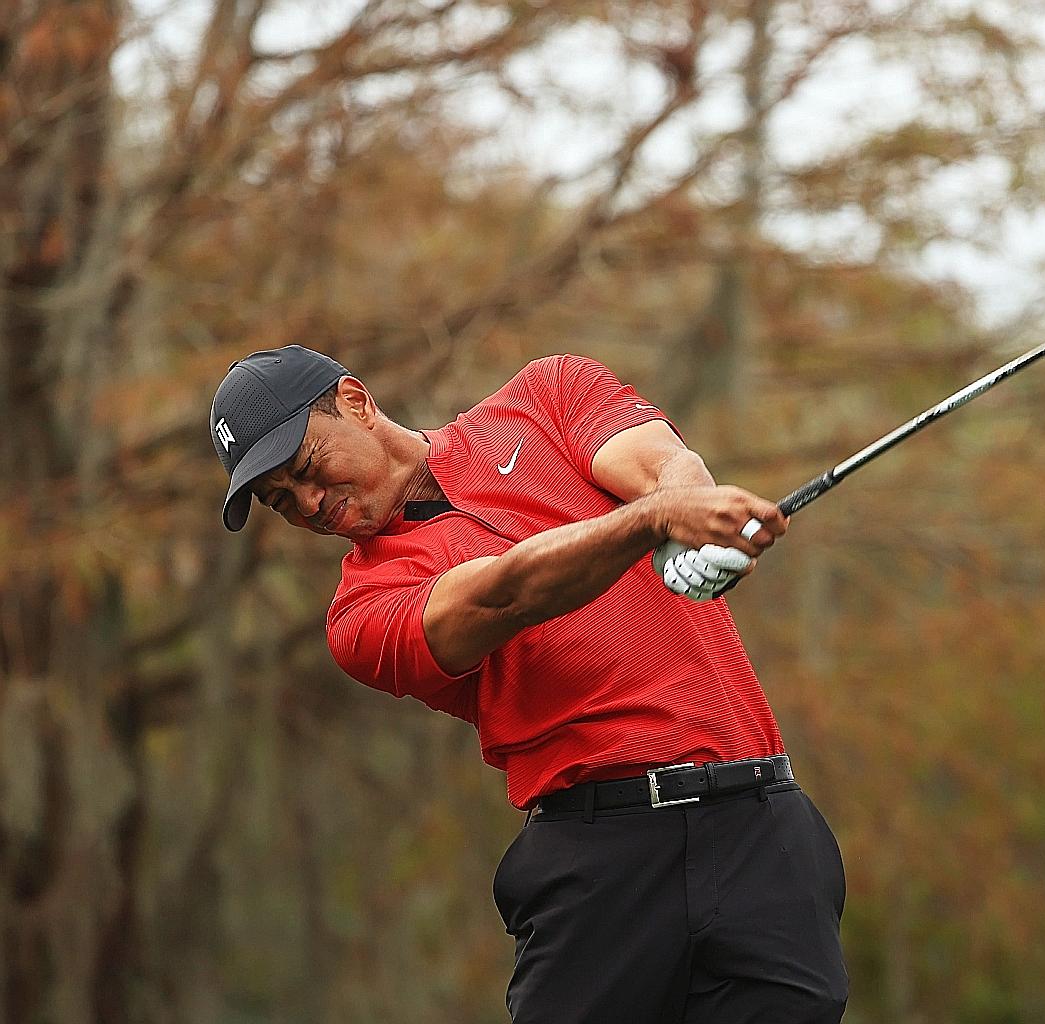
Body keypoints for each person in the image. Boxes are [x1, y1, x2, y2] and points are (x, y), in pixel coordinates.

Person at [208, 345, 848, 1022]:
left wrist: (693, 514)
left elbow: (665, 465)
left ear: (356, 402)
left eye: (306, 467)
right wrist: (655, 521)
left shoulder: (548, 396)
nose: (309, 502)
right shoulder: (361, 614)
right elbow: (505, 594)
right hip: (602, 865)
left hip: (760, 832)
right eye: (281, 501)